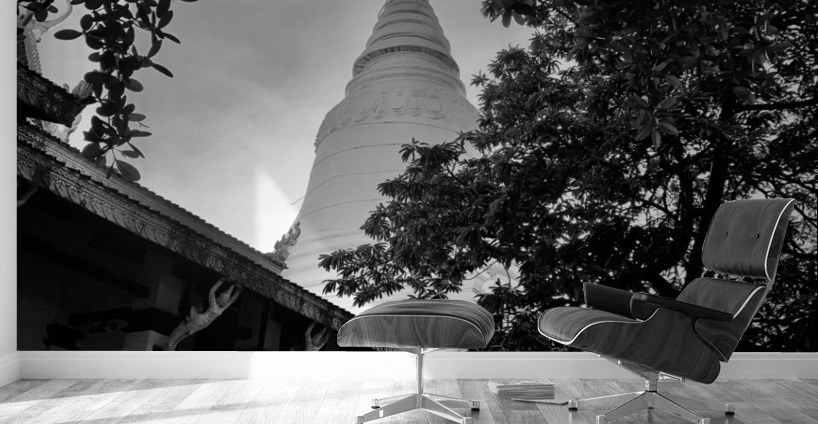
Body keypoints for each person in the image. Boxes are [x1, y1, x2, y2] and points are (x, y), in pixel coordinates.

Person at [164, 277, 243, 351]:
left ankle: (170, 347)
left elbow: (230, 300)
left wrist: (236, 289)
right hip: (199, 321)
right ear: (218, 298)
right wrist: (224, 281)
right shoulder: (216, 306)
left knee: (180, 337)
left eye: (226, 300)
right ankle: (169, 347)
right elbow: (213, 292)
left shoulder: (219, 308)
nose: (226, 301)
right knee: (178, 336)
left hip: (200, 323)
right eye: (224, 299)